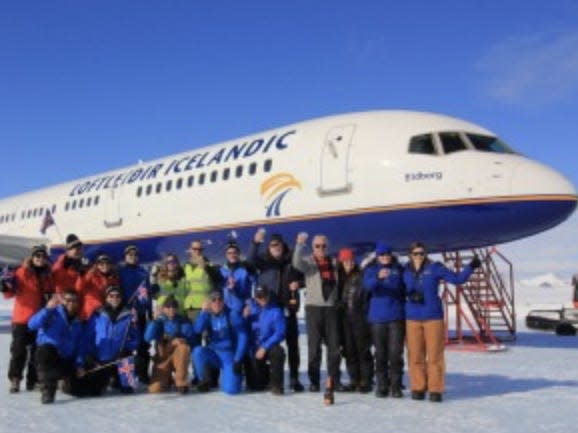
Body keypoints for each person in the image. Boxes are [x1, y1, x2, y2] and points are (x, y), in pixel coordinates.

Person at [403, 241, 480, 403]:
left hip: (433, 318)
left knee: (435, 356)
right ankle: (418, 387)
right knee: (415, 355)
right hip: (412, 318)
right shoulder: (405, 271)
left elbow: (457, 279)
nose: (419, 256)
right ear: (410, 255)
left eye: (422, 253)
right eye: (415, 253)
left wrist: (471, 267)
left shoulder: (435, 268)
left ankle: (435, 389)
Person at [246, 230, 305, 392]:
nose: (275, 247)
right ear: (269, 247)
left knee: (293, 346)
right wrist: (255, 242)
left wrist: (298, 285)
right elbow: (250, 259)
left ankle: (294, 378)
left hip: (287, 309)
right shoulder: (264, 261)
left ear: (282, 245)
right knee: (269, 344)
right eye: (272, 245)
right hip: (269, 309)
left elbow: (304, 276)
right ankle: (266, 377)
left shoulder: (290, 260)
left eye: (277, 244)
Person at [292, 233, 340, 393]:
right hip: (313, 308)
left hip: (331, 309)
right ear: (313, 247)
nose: (320, 249)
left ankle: (333, 380)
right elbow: (296, 263)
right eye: (317, 246)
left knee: (333, 348)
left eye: (323, 246)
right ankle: (314, 381)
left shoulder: (333, 262)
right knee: (314, 348)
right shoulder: (309, 262)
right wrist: (299, 245)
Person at [3, 245, 54, 393]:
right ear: (32, 257)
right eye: (37, 256)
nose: (40, 259)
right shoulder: (22, 272)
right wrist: (5, 287)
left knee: (37, 352)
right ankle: (15, 379)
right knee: (18, 351)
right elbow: (9, 293)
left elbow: (50, 293)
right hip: (22, 319)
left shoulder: (47, 275)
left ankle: (33, 380)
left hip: (38, 320)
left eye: (43, 256)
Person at [27, 289, 86, 404]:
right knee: (46, 350)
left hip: (65, 360)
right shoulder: (52, 313)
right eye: (68, 300)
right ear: (62, 301)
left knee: (80, 390)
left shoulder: (78, 322)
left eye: (74, 301)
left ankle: (64, 384)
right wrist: (47, 309)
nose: (71, 303)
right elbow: (32, 325)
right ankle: (48, 391)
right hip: (49, 356)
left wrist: (79, 365)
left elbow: (80, 347)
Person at [363, 242, 405, 398]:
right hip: (377, 319)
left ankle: (396, 385)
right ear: (377, 256)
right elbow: (367, 287)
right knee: (380, 354)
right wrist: (378, 278)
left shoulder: (398, 269)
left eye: (387, 254)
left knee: (395, 354)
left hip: (395, 317)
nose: (385, 257)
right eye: (382, 255)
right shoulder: (371, 270)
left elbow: (405, 286)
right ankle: (382, 385)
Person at [83, 285, 140, 395]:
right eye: (111, 296)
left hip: (120, 357)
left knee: (127, 389)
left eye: (117, 296)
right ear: (106, 298)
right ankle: (107, 380)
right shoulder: (97, 315)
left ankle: (119, 380)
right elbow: (87, 337)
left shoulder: (129, 315)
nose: (115, 298)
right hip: (101, 359)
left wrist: (127, 348)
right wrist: (90, 355)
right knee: (94, 391)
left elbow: (136, 337)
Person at [192, 290, 248, 395]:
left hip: (228, 355)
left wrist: (238, 359)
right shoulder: (207, 315)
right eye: (213, 300)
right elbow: (197, 330)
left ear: (223, 301)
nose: (217, 303)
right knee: (198, 351)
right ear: (210, 303)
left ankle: (236, 376)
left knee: (231, 390)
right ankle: (204, 380)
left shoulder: (231, 315)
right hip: (214, 353)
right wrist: (203, 312)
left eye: (220, 300)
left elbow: (243, 335)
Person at [337, 247, 374, 393]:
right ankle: (354, 379)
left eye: (351, 260)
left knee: (362, 349)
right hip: (344, 318)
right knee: (349, 350)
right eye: (346, 261)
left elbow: (366, 294)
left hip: (359, 316)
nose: (349, 263)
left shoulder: (361, 275)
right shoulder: (338, 277)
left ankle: (366, 380)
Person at [144, 296, 193, 394]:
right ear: (163, 309)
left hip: (177, 357)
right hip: (163, 358)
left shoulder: (182, 321)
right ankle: (168, 379)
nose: (171, 309)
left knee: (183, 348)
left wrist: (181, 340)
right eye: (168, 306)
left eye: (174, 306)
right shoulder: (158, 321)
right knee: (155, 389)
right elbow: (147, 338)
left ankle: (181, 382)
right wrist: (154, 320)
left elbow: (190, 339)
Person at [118, 245, 152, 384]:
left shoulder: (143, 272)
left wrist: (150, 311)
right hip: (126, 313)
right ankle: (126, 378)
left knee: (143, 344)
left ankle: (142, 374)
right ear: (125, 257)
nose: (133, 257)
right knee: (126, 345)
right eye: (130, 255)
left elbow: (147, 293)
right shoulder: (120, 272)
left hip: (141, 312)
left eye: (135, 255)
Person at [243, 286, 286, 395]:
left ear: (268, 296)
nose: (262, 300)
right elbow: (242, 331)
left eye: (264, 297)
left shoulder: (276, 311)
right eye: (259, 297)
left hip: (268, 347)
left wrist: (265, 347)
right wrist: (244, 318)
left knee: (278, 352)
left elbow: (280, 333)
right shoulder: (249, 309)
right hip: (253, 348)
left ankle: (276, 384)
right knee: (256, 387)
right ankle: (264, 375)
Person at [182, 240, 222, 322]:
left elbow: (217, 278)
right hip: (190, 308)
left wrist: (206, 267)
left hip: (204, 306)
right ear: (190, 250)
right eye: (195, 249)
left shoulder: (208, 265)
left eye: (200, 249)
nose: (197, 251)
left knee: (204, 333)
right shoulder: (186, 266)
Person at [76, 253, 120, 320]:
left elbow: (116, 296)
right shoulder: (91, 275)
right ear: (97, 265)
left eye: (107, 263)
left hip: (106, 313)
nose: (105, 265)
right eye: (101, 264)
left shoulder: (113, 279)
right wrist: (81, 275)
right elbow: (78, 287)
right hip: (90, 313)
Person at [219, 241, 255, 314]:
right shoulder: (221, 271)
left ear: (239, 254)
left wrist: (249, 305)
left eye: (235, 252)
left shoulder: (246, 270)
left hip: (242, 309)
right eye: (229, 253)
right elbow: (218, 290)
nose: (232, 255)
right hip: (226, 310)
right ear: (226, 255)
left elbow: (254, 287)